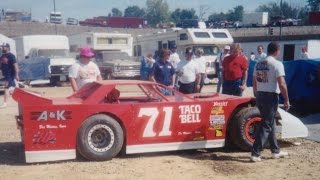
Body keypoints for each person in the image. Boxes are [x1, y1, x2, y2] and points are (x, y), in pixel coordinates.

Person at [251, 42, 290, 162]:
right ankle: (255, 153)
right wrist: (287, 99)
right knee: (267, 124)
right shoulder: (277, 64)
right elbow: (282, 83)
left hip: (260, 94)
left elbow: (254, 81)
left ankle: (275, 151)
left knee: (270, 122)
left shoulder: (258, 63)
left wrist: (256, 94)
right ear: (277, 50)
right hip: (270, 96)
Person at [0, 43, 19, 108]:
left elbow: (15, 66)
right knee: (13, 88)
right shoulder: (2, 56)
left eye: (3, 47)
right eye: (2, 47)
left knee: (6, 88)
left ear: (7, 48)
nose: (2, 48)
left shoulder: (11, 56)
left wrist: (16, 75)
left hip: (10, 75)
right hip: (5, 75)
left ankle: (5, 103)